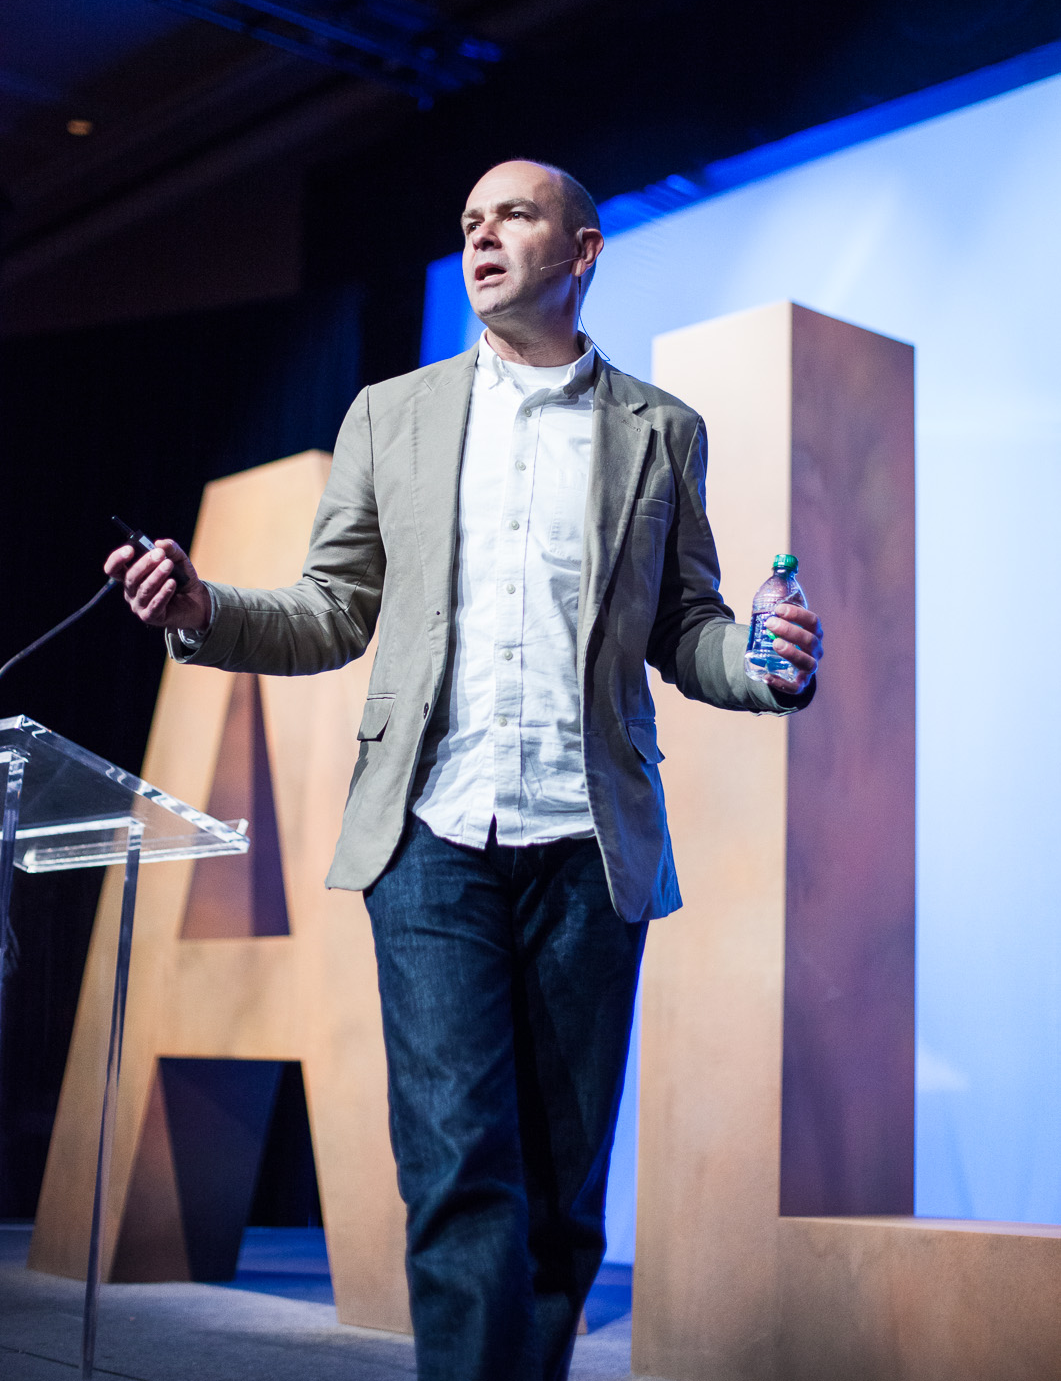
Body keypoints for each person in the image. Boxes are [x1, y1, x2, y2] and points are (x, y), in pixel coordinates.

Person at [105, 159, 823, 1381]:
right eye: (467, 222)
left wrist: (766, 663)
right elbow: (331, 610)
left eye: (512, 216)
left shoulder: (662, 431)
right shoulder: (393, 414)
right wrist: (202, 606)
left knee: (557, 1191)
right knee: (453, 1161)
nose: (482, 235)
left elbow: (685, 627)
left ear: (581, 248)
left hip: (590, 846)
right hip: (431, 837)